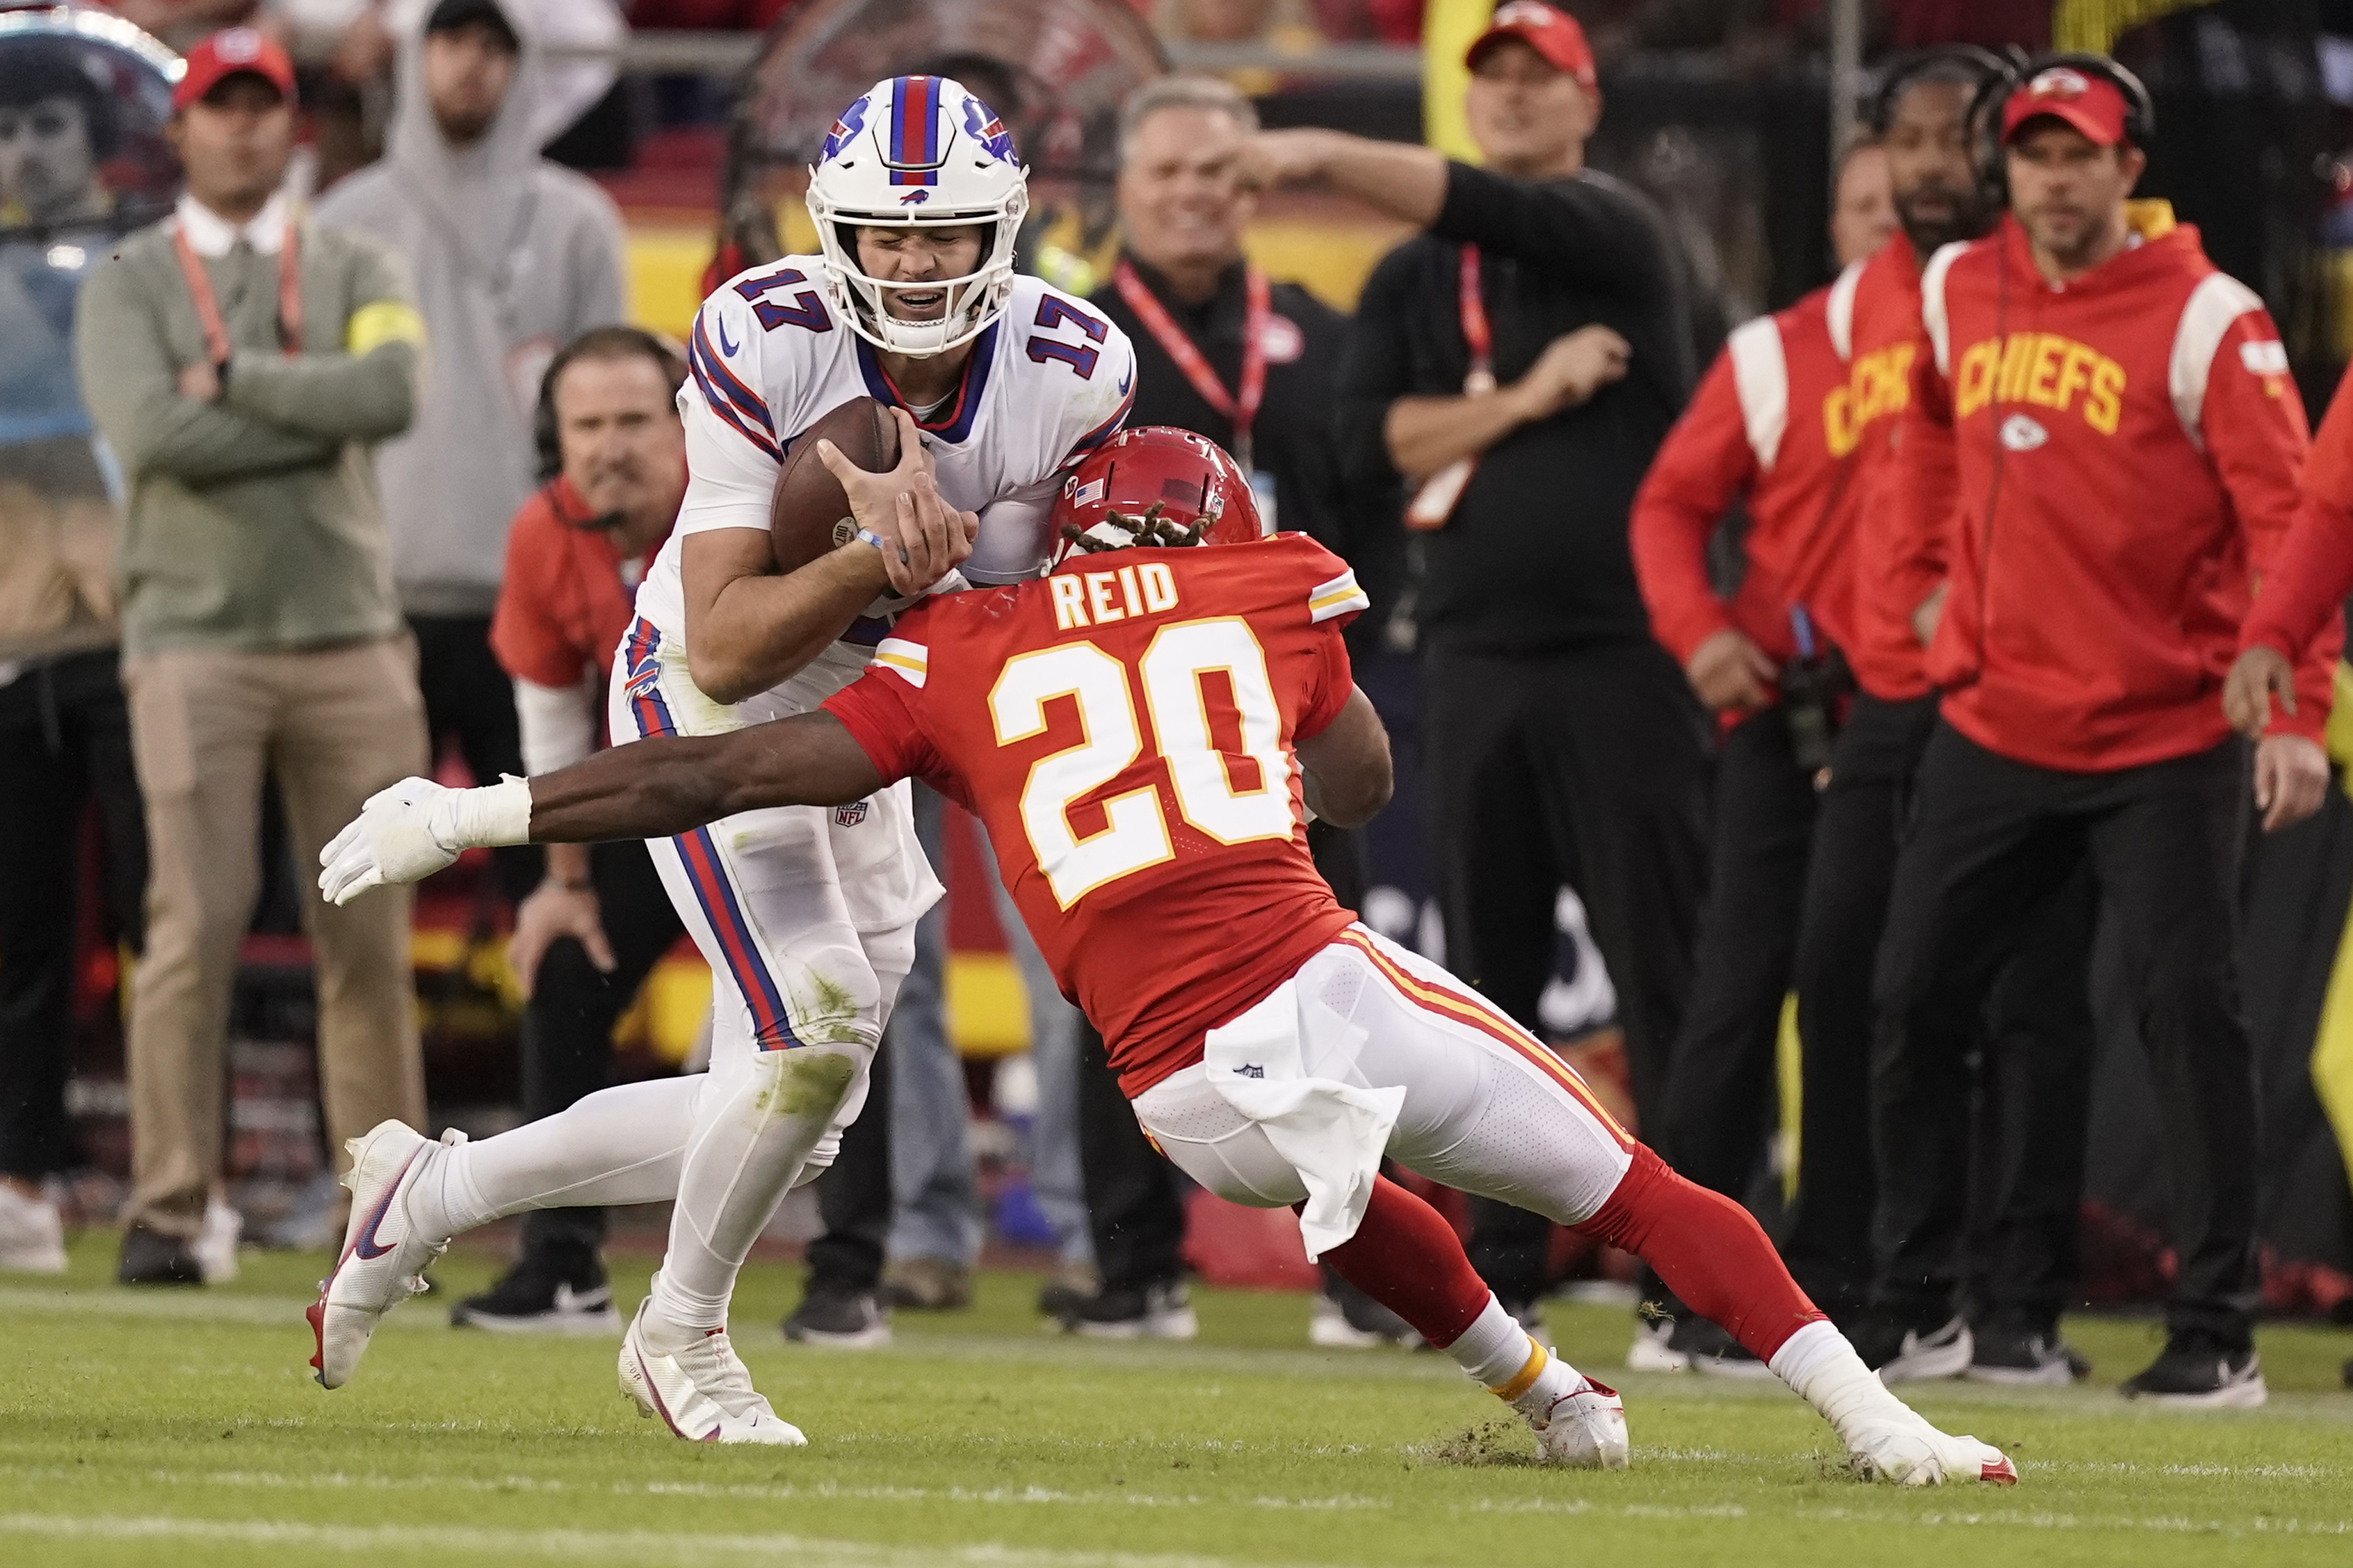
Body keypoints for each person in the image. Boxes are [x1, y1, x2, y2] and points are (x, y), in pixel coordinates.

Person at [314, 426, 2018, 1490]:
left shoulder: (967, 644)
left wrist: (480, 815)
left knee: (1324, 1178)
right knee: (1631, 1193)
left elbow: (719, 768)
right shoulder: (1269, 586)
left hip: (1173, 1088)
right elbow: (1361, 785)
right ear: (1218, 524)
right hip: (1302, 968)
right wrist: (1292, 709)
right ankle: (1884, 1430)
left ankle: (1547, 1392)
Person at [309, 72, 1133, 1435]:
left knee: (796, 1110)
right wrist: (876, 547)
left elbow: (1057, 611)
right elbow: (732, 643)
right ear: (832, 232)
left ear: (1005, 230)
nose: (915, 263)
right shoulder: (765, 334)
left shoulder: (1078, 365)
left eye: (943, 235)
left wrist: (968, 593)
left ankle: (431, 1194)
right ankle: (681, 1336)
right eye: (886, 234)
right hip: (709, 685)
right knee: (810, 1033)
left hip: (877, 709)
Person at [1868, 56, 2334, 1407]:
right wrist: (1921, 608)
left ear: (2131, 168)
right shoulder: (1960, 285)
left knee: (2192, 1016)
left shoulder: (2213, 319)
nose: (2053, 178)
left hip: (2165, 729)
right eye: (2034, 153)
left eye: (2080, 155)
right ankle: (1919, 1308)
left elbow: (2296, 525)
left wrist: (2295, 703)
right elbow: (1927, 449)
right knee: (1911, 1001)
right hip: (1996, 718)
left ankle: (2217, 1331)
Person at [1319, 0, 1710, 1322]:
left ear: (1588, 101)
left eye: (1543, 78)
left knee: (1668, 965)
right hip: (1475, 656)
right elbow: (1376, 445)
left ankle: (1694, 1270)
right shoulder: (1410, 279)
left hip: (1625, 658)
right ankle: (1498, 1269)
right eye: (1493, 77)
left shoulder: (1616, 230)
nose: (1515, 96)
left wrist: (1311, 152)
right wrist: (1530, 397)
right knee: (1484, 985)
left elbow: (1491, 217)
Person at [72, 29, 428, 1285]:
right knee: (192, 930)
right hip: (193, 641)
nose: (242, 131)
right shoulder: (126, 279)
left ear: (294, 129)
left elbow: (389, 395)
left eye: (262, 108)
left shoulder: (354, 254)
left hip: (349, 641)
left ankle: (383, 1218)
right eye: (218, 110)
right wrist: (298, 402)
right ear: (178, 132)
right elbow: (149, 432)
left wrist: (230, 378)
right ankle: (171, 1211)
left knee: (370, 943)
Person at [1052, 71, 1399, 1343]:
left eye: (1217, 172)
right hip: (1133, 707)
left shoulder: (1318, 326)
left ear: (1250, 187)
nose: (1194, 195)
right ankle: (1133, 1269)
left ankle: (1369, 1272)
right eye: (1168, 174)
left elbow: (1361, 506)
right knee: (1124, 978)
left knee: (1336, 982)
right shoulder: (1078, 346)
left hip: (1289, 696)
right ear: (1125, 192)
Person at [1777, 49, 2101, 1387]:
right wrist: (1901, 618)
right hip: (1907, 691)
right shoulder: (1876, 304)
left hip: (2049, 694)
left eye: (1947, 139)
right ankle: (1877, 1281)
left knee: (2036, 999)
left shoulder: (2056, 290)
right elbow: (1904, 481)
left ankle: (2022, 1301)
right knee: (1857, 974)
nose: (1923, 166)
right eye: (1899, 140)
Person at [1622, 137, 1891, 1370]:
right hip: (1788, 714)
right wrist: (1702, 636)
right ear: (1833, 222)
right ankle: (1687, 1281)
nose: (1885, 223)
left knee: (1875, 994)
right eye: (1864, 203)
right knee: (1736, 995)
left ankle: (1872, 1276)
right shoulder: (1779, 351)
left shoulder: (1990, 346)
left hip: (1933, 719)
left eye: (1903, 205)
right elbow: (1672, 505)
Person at [315, 0, 626, 905]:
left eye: (494, 45)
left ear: (524, 66)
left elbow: (611, 426)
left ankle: (549, 1049)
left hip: (530, 603)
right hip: (380, 603)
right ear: (416, 56)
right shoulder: (342, 220)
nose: (471, 64)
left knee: (552, 885)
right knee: (361, 888)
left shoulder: (578, 221)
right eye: (451, 38)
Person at [447, 326, 684, 1330]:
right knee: (561, 962)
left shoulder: (754, 504)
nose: (608, 446)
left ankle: (852, 1271)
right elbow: (551, 724)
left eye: (634, 419)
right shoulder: (546, 532)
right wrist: (565, 884)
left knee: (848, 1007)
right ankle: (562, 1264)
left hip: (793, 793)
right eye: (586, 425)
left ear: (689, 423)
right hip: (658, 797)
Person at [0, 33, 147, 1275]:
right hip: (13, 636)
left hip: (148, 627)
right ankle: (24, 1180)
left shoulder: (151, 263)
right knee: (23, 926)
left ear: (97, 140)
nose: (24, 148)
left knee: (170, 924)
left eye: (49, 123)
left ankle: (175, 1183)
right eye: (9, 127)